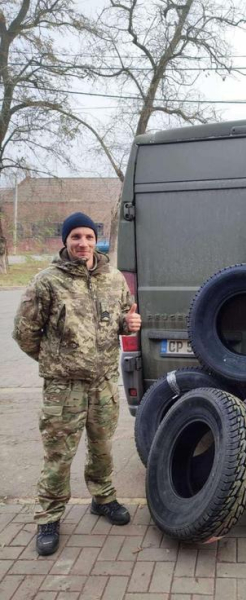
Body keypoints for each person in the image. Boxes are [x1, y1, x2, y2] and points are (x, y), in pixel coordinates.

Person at [13, 212, 142, 556]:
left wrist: (129, 325)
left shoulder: (113, 279)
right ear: (65, 241)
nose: (82, 244)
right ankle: (49, 515)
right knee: (59, 455)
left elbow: (123, 319)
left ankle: (103, 498)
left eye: (88, 237)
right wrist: (54, 363)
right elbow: (24, 333)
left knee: (102, 447)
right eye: (75, 238)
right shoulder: (46, 282)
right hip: (63, 388)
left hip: (103, 383)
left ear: (95, 240)